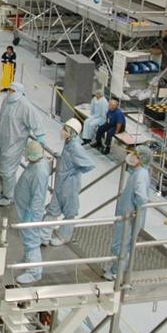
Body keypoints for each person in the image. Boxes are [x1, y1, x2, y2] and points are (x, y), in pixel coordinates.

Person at [105, 145, 152, 280]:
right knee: (121, 242)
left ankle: (117, 272)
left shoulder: (141, 174)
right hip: (126, 213)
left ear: (141, 159)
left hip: (130, 216)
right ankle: (115, 267)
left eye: (136, 154)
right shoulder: (136, 172)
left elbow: (141, 198)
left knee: (122, 244)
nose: (132, 156)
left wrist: (135, 211)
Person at [48, 118, 96, 246]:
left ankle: (64, 236)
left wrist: (74, 171)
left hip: (70, 184)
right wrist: (62, 157)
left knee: (70, 212)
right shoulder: (68, 143)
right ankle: (43, 234)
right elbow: (70, 158)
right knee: (53, 208)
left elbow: (90, 165)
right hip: (61, 181)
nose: (62, 131)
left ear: (72, 132)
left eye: (65, 129)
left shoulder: (75, 147)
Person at [0, 82, 42, 205]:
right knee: (3, 168)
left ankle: (9, 196)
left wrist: (40, 136)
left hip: (15, 142)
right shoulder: (6, 100)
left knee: (8, 170)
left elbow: (36, 120)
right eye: (9, 90)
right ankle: (4, 191)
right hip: (3, 140)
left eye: (13, 90)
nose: (10, 92)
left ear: (19, 92)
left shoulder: (25, 105)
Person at [13, 139, 51, 285]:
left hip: (31, 213)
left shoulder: (39, 171)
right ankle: (28, 260)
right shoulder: (36, 164)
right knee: (27, 238)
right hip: (25, 209)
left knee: (32, 241)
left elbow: (38, 197)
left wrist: (31, 215)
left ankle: (34, 272)